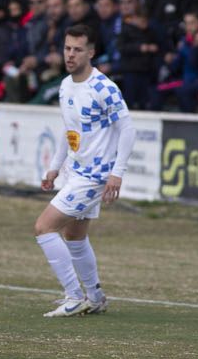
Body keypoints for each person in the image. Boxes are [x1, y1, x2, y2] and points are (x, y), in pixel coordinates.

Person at [33, 24, 136, 317]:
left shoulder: (103, 87)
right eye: (67, 48)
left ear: (91, 52)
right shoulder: (66, 85)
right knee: (75, 236)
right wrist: (54, 168)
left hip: (95, 175)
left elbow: (127, 128)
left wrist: (117, 172)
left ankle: (74, 296)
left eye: (78, 49)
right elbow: (69, 131)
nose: (70, 54)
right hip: (76, 172)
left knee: (43, 227)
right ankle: (95, 296)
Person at [112, 0, 162, 111]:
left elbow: (161, 44)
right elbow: (120, 46)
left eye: (129, 2)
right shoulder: (118, 23)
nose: (125, 6)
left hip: (149, 71)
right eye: (122, 2)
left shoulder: (151, 23)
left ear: (138, 3)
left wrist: (146, 29)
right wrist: (141, 47)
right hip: (129, 71)